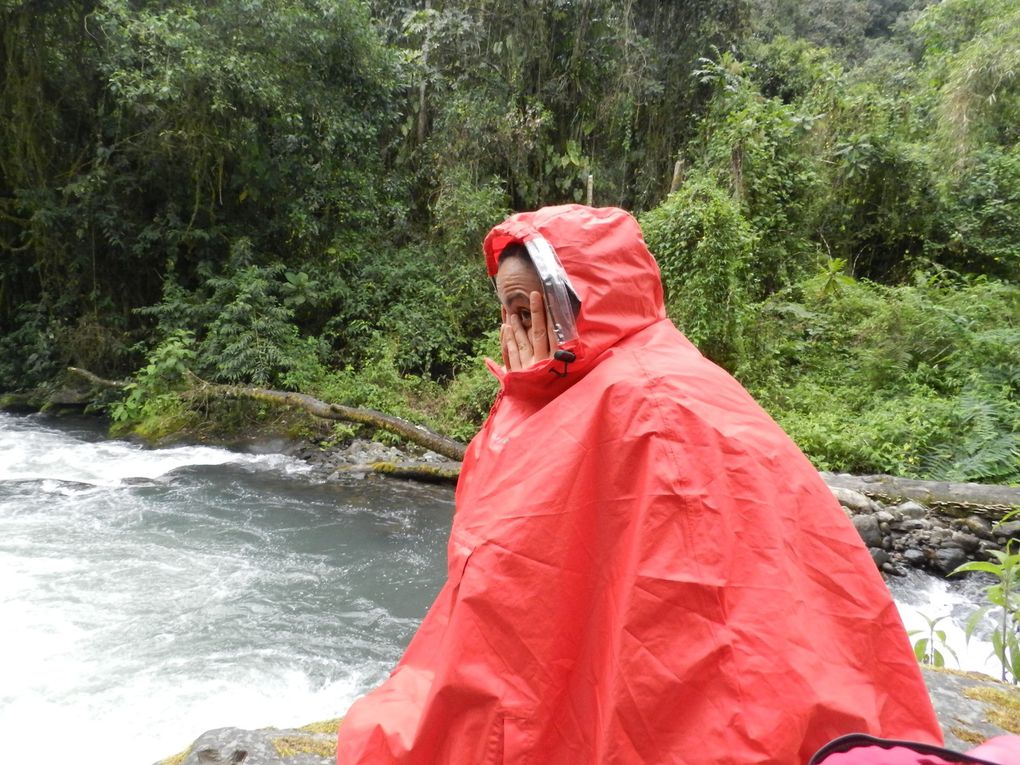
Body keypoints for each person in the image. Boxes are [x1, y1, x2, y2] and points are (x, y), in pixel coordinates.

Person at [336, 205, 943, 764]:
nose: (515, 330)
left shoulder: (642, 398)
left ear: (582, 302)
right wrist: (532, 394)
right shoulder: (620, 374)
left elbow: (508, 569)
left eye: (529, 311)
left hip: (732, 700)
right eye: (507, 312)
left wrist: (529, 406)